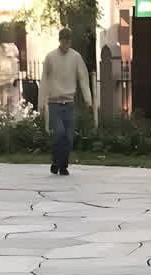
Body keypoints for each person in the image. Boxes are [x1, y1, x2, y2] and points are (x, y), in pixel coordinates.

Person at [41, 28, 91, 175]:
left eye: (68, 40)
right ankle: (56, 161)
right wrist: (41, 102)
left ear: (71, 41)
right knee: (59, 133)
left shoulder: (76, 57)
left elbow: (83, 78)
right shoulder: (50, 57)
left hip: (69, 103)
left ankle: (62, 165)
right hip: (54, 102)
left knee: (69, 137)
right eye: (63, 40)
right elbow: (44, 80)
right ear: (59, 40)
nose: (66, 43)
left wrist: (88, 99)